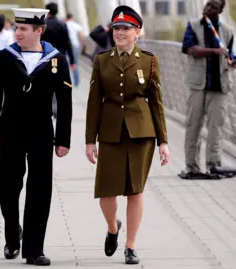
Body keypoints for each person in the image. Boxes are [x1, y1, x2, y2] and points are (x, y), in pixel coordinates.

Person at [0, 7, 72, 266]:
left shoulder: (56, 60)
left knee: (40, 189)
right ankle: (13, 234)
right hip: (9, 130)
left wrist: (63, 139)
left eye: (23, 29)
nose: (17, 33)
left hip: (41, 131)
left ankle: (34, 249)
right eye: (16, 28)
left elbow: (65, 102)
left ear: (39, 31)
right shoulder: (4, 57)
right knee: (8, 187)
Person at [85, 5, 170, 265]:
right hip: (110, 131)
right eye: (117, 28)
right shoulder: (101, 60)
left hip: (141, 133)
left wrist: (164, 142)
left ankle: (131, 246)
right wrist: (90, 139)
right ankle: (113, 227)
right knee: (106, 192)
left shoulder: (149, 60)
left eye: (126, 28)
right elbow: (94, 102)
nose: (120, 33)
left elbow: (157, 102)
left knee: (135, 192)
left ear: (137, 32)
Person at [181, 0, 236, 176]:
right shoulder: (193, 26)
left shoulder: (227, 31)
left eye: (213, 7)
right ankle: (192, 167)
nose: (208, 8)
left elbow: (230, 53)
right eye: (207, 5)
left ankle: (214, 165)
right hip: (198, 85)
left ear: (220, 11)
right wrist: (214, 51)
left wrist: (231, 60)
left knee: (216, 128)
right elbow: (190, 48)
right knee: (193, 126)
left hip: (219, 86)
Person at [41, 2, 76, 118]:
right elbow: (68, 43)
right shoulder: (62, 24)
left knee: (45, 83)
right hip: (60, 57)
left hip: (44, 57)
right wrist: (72, 61)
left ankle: (47, 107)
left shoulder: (43, 25)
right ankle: (57, 109)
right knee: (59, 84)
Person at [65, 13, 85, 87]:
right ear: (72, 18)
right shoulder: (76, 25)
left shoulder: (64, 25)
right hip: (75, 46)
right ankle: (77, 82)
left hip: (67, 46)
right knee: (75, 63)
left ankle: (68, 82)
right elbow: (81, 36)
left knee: (67, 63)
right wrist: (83, 46)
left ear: (66, 18)